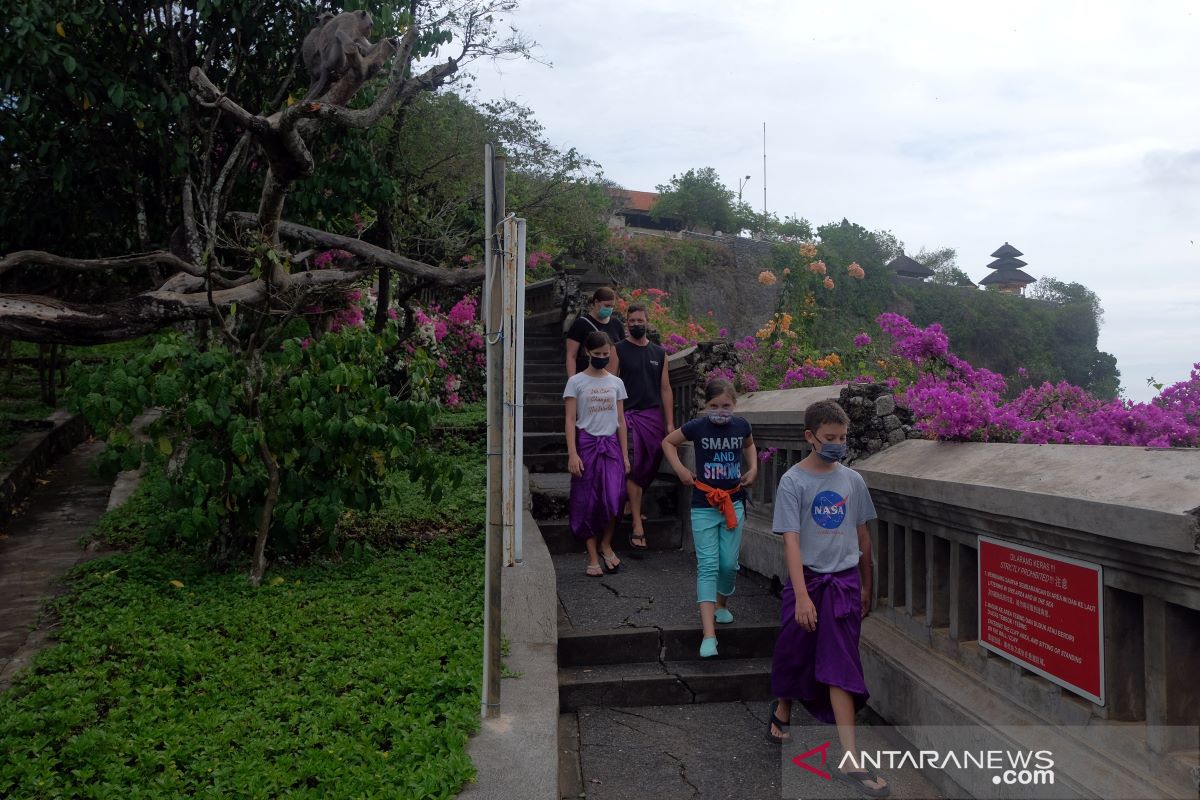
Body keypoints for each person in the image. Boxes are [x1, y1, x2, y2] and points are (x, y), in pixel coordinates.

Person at [766, 400, 889, 798]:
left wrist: (867, 584)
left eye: (842, 438)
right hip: (808, 583)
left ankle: (851, 759)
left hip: (845, 584)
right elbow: (791, 541)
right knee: (794, 652)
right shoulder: (793, 481)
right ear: (810, 437)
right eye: (830, 438)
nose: (837, 444)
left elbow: (863, 538)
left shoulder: (852, 481)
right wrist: (801, 596)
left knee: (841, 666)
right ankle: (783, 705)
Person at [661, 378, 756, 657]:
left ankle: (722, 605)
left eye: (726, 405)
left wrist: (753, 469)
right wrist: (680, 469)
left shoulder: (742, 426)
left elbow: (750, 445)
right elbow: (668, 442)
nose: (720, 410)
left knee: (728, 564)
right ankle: (708, 634)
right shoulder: (697, 427)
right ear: (705, 405)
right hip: (703, 503)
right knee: (708, 565)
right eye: (714, 405)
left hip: (734, 502)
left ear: (735, 405)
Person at [563, 331, 631, 577]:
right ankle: (592, 557)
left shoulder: (616, 382)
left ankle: (606, 544)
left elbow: (621, 421)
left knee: (616, 497)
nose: (602, 357)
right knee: (586, 500)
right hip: (586, 445)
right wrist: (572, 453)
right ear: (587, 353)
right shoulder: (576, 382)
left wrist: (625, 455)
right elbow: (570, 419)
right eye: (597, 354)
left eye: (606, 354)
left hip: (611, 445)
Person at [615, 304, 674, 550]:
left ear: (647, 322)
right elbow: (611, 385)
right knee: (635, 465)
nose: (636, 324)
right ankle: (637, 524)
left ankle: (631, 505)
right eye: (631, 320)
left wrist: (669, 422)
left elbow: (665, 389)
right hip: (628, 416)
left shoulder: (659, 353)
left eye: (640, 320)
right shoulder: (618, 350)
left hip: (652, 417)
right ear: (626, 323)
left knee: (650, 463)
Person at [565, 287, 624, 378]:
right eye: (607, 306)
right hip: (586, 378)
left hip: (610, 381)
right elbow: (571, 356)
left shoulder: (617, 324)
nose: (610, 309)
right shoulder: (580, 324)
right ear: (596, 302)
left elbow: (622, 354)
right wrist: (572, 381)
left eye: (612, 306)